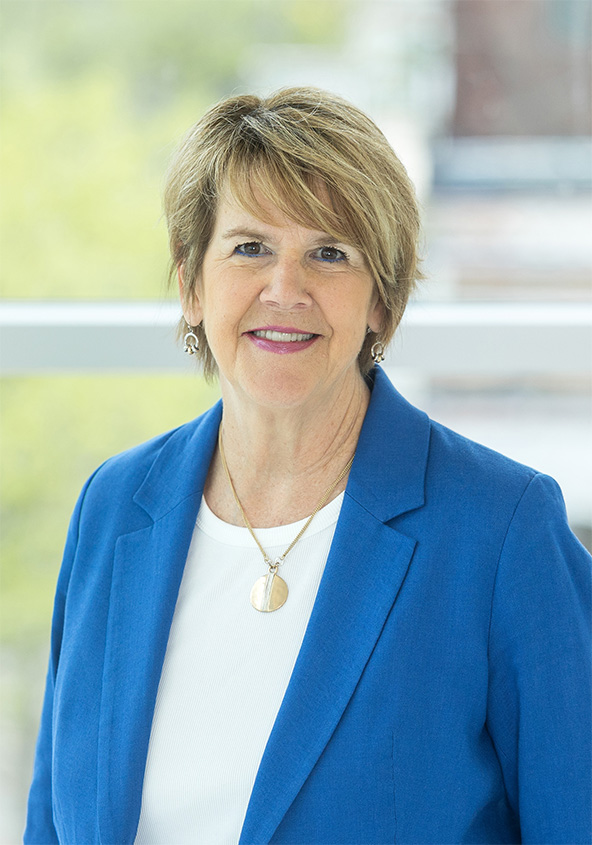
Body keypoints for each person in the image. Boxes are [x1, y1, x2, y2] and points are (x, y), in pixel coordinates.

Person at [25, 87, 590, 845]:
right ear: (192, 282)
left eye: (330, 252)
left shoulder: (502, 530)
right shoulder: (113, 506)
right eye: (249, 247)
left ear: (382, 300)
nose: (284, 289)